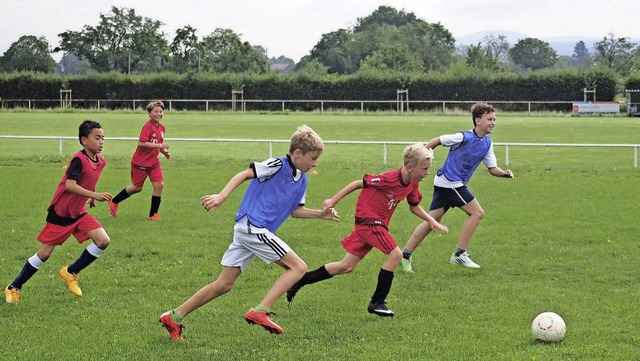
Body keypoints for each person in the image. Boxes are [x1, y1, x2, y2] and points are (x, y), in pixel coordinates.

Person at [159, 125, 340, 339]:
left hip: (250, 231)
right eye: (313, 158)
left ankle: (175, 316)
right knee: (298, 267)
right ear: (298, 154)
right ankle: (260, 311)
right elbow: (245, 174)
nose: (315, 163)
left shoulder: (302, 179)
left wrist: (320, 214)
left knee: (223, 284)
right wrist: (221, 196)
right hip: (253, 226)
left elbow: (295, 211)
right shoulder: (277, 165)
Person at [286, 143, 448, 317]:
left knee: (345, 266)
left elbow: (414, 206)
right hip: (368, 221)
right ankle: (377, 302)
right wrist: (333, 200)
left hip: (376, 224)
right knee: (396, 255)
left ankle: (300, 281)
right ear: (410, 167)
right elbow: (358, 184)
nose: (427, 173)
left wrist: (431, 220)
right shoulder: (389, 178)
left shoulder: (412, 183)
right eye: (424, 169)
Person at [4, 120, 113, 304]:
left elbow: (89, 179)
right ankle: (14, 286)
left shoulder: (100, 161)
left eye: (103, 138)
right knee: (44, 254)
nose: (101, 142)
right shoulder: (78, 159)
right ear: (84, 140)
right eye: (97, 138)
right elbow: (70, 185)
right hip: (61, 214)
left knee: (103, 240)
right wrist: (95, 194)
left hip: (78, 213)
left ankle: (71, 272)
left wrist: (91, 198)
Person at [399, 102, 515, 272]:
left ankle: (405, 255)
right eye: (489, 119)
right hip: (450, 182)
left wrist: (504, 173)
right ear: (478, 120)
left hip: (446, 183)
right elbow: (437, 140)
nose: (493, 122)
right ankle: (459, 254)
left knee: (432, 221)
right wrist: (421, 156)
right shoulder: (463, 137)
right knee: (477, 213)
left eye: (494, 119)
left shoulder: (487, 143)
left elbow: (492, 169)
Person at [109, 100, 171, 220]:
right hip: (140, 163)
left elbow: (158, 143)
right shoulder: (148, 127)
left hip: (153, 163)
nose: (159, 114)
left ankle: (153, 215)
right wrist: (160, 146)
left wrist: (165, 153)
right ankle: (114, 201)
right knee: (137, 188)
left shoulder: (162, 128)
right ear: (149, 113)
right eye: (156, 111)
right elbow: (142, 143)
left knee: (159, 185)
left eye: (161, 111)